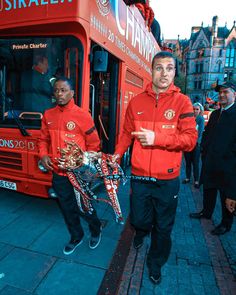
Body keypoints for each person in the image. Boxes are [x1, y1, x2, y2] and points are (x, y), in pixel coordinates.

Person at [114, 51, 197, 284]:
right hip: (140, 177)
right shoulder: (137, 101)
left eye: (169, 68)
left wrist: (157, 138)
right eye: (159, 68)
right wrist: (117, 156)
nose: (164, 73)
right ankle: (141, 231)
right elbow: (125, 134)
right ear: (151, 71)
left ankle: (155, 262)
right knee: (139, 220)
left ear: (175, 73)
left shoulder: (183, 102)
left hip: (167, 180)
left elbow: (190, 140)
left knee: (163, 227)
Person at [38, 77, 102, 255]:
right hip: (58, 173)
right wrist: (43, 155)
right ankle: (76, 236)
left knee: (84, 207)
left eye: (63, 90)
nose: (59, 93)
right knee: (67, 208)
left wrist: (84, 166)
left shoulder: (83, 115)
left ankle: (96, 230)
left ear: (72, 93)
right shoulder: (48, 115)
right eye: (57, 90)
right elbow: (42, 140)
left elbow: (94, 144)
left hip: (79, 174)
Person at [189, 82, 236, 235]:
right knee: (208, 188)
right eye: (220, 92)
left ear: (234, 94)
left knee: (225, 195)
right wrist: (204, 150)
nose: (222, 95)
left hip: (227, 165)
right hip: (210, 160)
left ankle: (225, 223)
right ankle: (206, 212)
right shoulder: (216, 113)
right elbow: (208, 135)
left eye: (226, 92)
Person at [182, 102, 205, 188]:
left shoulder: (200, 119)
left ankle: (196, 180)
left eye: (197, 109)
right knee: (187, 162)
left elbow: (200, 133)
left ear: (200, 110)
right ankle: (188, 178)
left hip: (196, 145)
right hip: (187, 144)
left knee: (195, 163)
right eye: (193, 109)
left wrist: (196, 143)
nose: (195, 111)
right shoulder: (188, 118)